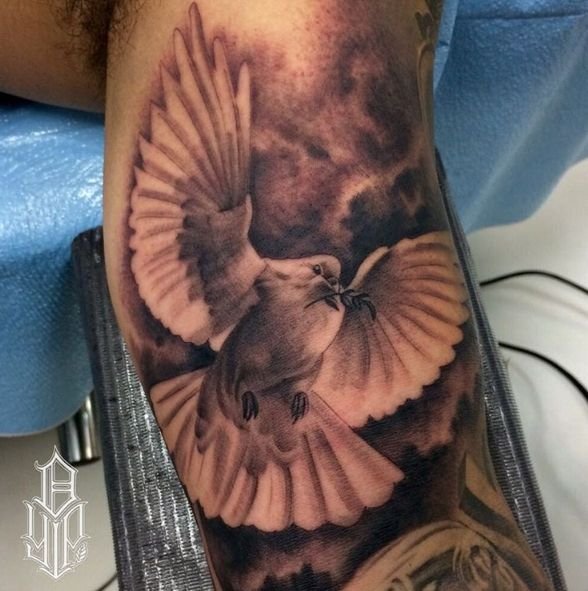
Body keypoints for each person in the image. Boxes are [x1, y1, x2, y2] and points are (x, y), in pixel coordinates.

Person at [0, 1, 557, 589]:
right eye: (320, 274)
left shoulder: (346, 306)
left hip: (284, 416)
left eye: (330, 281)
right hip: (224, 395)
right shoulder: (243, 270)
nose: (331, 283)